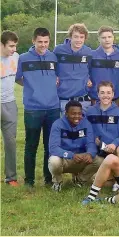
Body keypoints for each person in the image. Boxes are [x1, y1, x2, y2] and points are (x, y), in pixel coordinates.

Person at [16, 28, 60, 187]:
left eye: (46, 42)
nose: (43, 45)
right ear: (33, 41)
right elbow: (17, 78)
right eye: (40, 42)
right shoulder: (23, 58)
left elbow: (58, 77)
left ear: (49, 41)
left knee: (50, 145)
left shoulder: (53, 57)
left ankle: (49, 179)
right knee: (31, 145)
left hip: (53, 108)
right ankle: (29, 181)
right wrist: (30, 85)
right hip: (33, 108)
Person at [48, 100, 103, 191]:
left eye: (79, 113)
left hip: (81, 158)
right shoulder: (57, 124)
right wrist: (71, 155)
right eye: (73, 113)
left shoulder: (86, 123)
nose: (77, 116)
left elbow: (91, 143)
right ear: (66, 113)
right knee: (54, 161)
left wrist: (89, 153)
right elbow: (53, 148)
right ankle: (57, 183)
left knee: (100, 161)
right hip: (65, 158)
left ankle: (79, 180)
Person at [86, 81, 119, 191]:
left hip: (113, 148)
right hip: (98, 149)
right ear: (98, 95)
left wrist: (114, 144)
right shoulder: (90, 111)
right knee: (96, 181)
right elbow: (86, 131)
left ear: (113, 94)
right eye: (102, 92)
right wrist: (94, 140)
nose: (106, 95)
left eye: (108, 92)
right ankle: (105, 177)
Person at [53, 23, 92, 114]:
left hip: (83, 101)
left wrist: (89, 79)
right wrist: (54, 76)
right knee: (65, 127)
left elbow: (90, 70)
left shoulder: (88, 52)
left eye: (81, 37)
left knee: (82, 128)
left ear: (85, 38)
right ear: (70, 37)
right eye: (76, 37)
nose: (79, 40)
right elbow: (51, 68)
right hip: (64, 101)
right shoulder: (58, 50)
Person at [89, 26, 119, 106]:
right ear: (99, 39)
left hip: (115, 100)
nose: (107, 40)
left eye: (109, 37)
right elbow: (85, 73)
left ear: (113, 38)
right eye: (103, 37)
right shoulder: (92, 55)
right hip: (96, 100)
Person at [1, 31, 19, 186]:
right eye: (11, 46)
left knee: (10, 142)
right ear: (1, 45)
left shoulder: (16, 57)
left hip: (10, 104)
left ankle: (11, 177)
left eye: (15, 46)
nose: (14, 49)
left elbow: (19, 78)